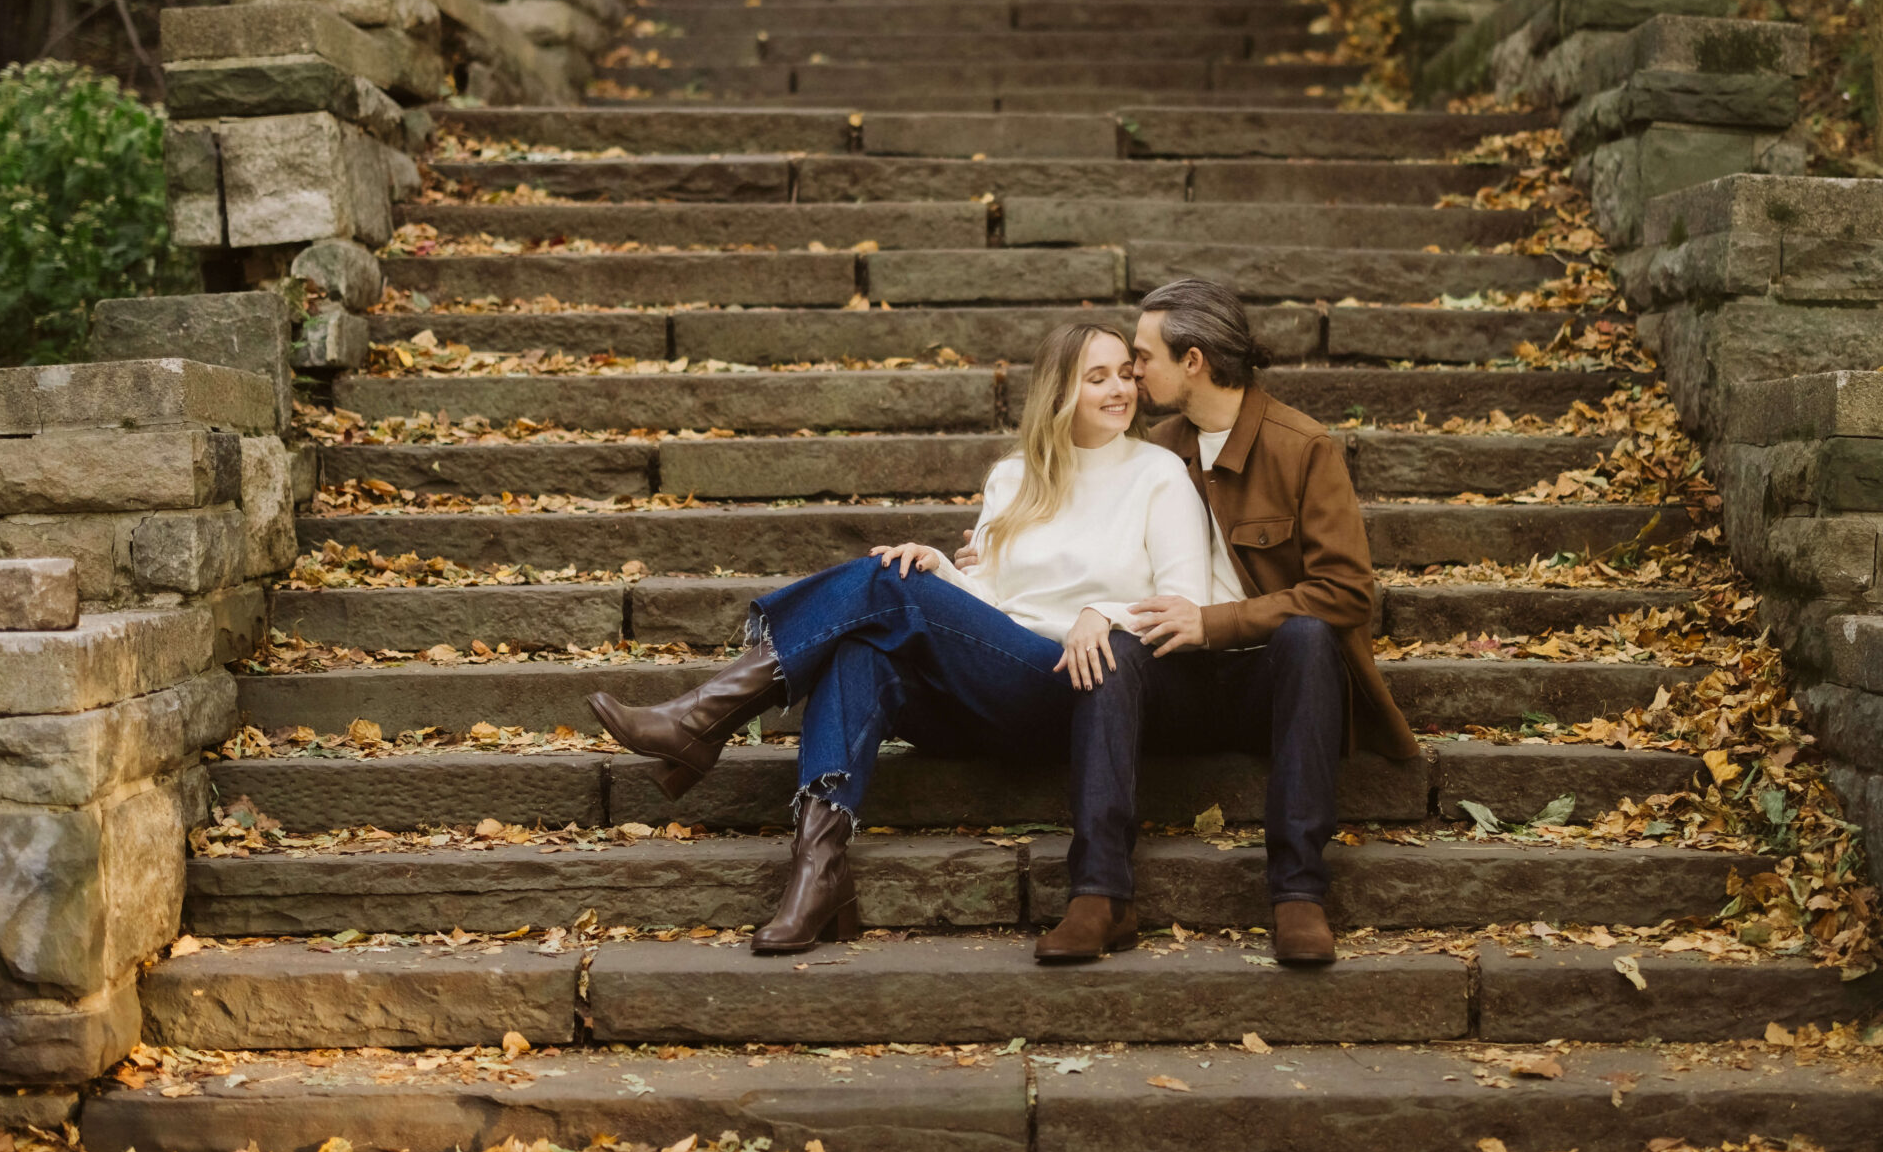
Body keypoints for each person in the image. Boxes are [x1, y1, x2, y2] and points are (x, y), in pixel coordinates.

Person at [586, 321, 1210, 955]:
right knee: (866, 640)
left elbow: (1190, 601)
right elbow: (993, 604)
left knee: (884, 587)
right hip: (998, 680)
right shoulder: (1014, 477)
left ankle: (704, 717)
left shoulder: (1158, 473)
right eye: (1096, 378)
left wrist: (1102, 612)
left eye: (1125, 374)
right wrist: (937, 569)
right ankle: (817, 870)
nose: (1119, 390)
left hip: (1079, 688)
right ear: (1058, 392)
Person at [1037, 278, 1419, 967]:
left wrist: (1216, 622)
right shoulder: (1155, 444)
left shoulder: (1303, 447)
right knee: (1112, 650)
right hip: (1173, 680)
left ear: (1193, 361)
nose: (1131, 372)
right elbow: (1079, 514)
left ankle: (1299, 891)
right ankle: (1099, 894)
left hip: (1269, 681)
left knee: (1307, 633)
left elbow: (1346, 592)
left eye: (1142, 357)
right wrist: (998, 551)